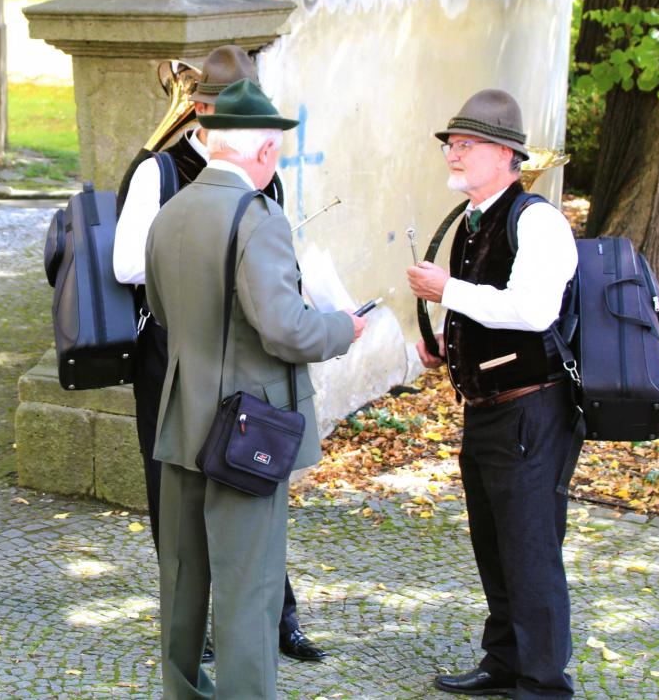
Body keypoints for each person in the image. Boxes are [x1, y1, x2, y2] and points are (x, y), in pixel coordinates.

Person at [145, 79, 365, 698]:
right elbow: (285, 329)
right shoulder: (258, 216)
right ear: (265, 152)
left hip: (181, 419)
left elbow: (159, 310)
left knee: (182, 577)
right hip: (247, 432)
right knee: (250, 584)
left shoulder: (170, 211)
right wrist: (342, 328)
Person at [115, 45, 325, 663]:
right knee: (176, 494)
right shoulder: (157, 172)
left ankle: (277, 615)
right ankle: (191, 626)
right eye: (216, 106)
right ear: (199, 110)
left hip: (246, 353)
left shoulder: (264, 173)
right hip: (175, 350)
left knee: (256, 480)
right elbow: (127, 263)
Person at [406, 89, 580, 700]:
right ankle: (505, 662)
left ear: (507, 155)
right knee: (495, 543)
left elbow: (533, 311)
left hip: (531, 409)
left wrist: (447, 291)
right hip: (488, 411)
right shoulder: (475, 220)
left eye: (467, 144)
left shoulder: (536, 220)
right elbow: (488, 308)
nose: (454, 154)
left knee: (530, 549)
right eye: (451, 145)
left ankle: (544, 685)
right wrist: (449, 345)